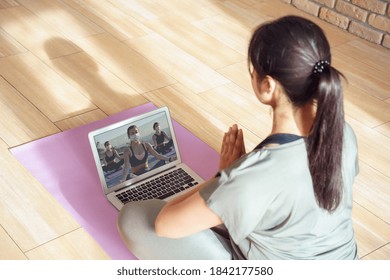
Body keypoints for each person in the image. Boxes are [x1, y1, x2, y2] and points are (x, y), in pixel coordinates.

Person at [117, 15, 359, 260]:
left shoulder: (254, 175)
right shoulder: (342, 134)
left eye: (253, 70)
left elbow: (165, 225)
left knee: (134, 218)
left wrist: (223, 176)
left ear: (268, 86)